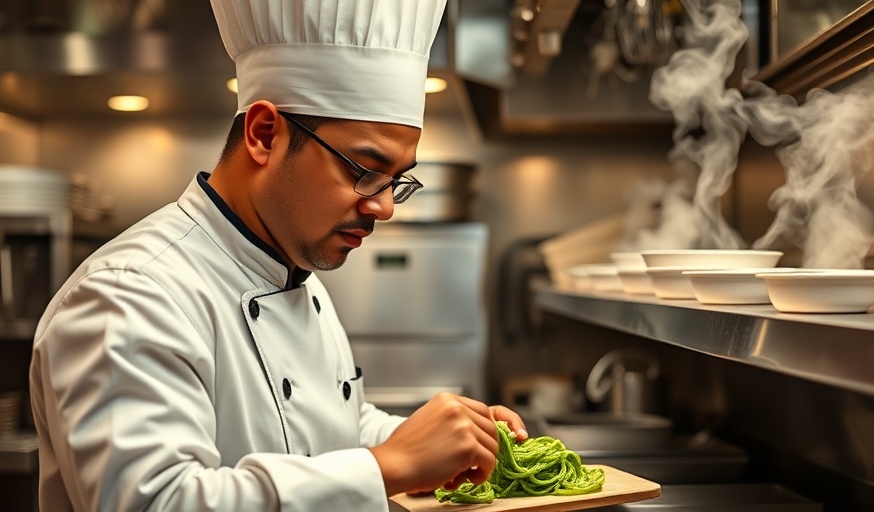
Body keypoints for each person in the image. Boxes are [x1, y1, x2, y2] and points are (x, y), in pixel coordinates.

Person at [28, 0, 527, 510]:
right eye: (365, 169)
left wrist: (449, 439)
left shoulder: (297, 270)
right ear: (264, 134)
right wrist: (391, 464)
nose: (383, 207)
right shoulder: (127, 294)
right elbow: (157, 501)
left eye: (396, 181)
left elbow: (333, 427)